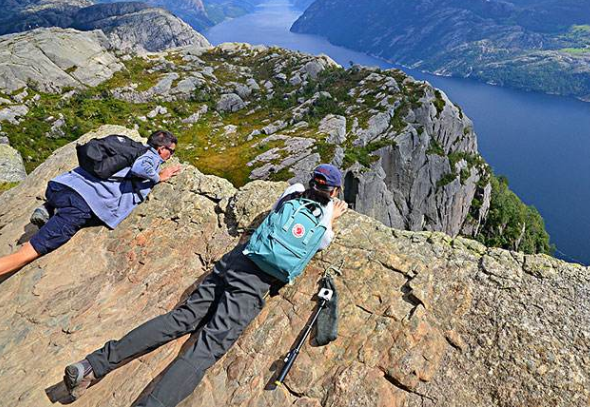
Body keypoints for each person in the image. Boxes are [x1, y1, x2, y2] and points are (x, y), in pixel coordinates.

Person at [63, 164, 349, 407]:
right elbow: (319, 243)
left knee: (180, 318)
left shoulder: (292, 193)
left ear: (311, 182)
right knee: (207, 347)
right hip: (255, 284)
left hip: (235, 261)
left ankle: (91, 365)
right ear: (334, 192)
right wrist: (331, 216)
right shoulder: (324, 218)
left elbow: (276, 215)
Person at [0, 130, 181, 277]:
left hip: (59, 187)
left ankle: (50, 208)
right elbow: (141, 168)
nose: (171, 155)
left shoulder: (129, 148)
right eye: (171, 151)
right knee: (27, 253)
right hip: (78, 206)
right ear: (161, 149)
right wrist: (158, 177)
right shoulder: (150, 157)